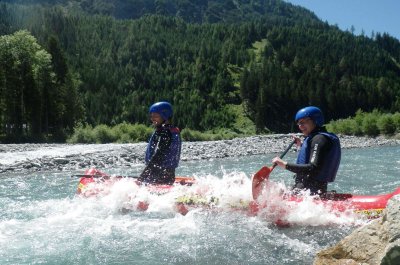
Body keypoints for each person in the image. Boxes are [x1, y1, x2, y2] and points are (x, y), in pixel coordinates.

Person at [272, 106, 341, 195]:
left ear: (315, 120)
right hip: (310, 189)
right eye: (299, 123)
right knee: (278, 190)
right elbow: (315, 154)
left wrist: (284, 164)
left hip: (308, 193)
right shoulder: (319, 138)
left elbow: (312, 168)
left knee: (275, 192)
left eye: (303, 122)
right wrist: (301, 145)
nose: (300, 126)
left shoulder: (319, 139)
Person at [138, 101, 182, 185]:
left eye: (156, 116)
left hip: (159, 175)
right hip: (167, 174)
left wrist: (142, 178)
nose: (152, 119)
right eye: (151, 116)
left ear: (165, 116)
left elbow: (158, 157)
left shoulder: (165, 133)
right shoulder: (170, 130)